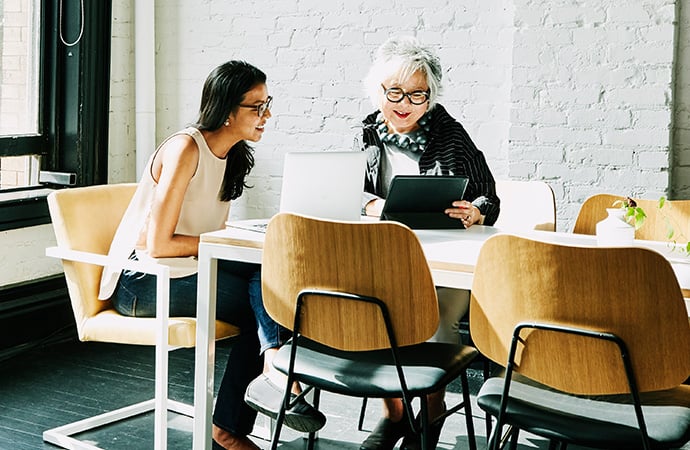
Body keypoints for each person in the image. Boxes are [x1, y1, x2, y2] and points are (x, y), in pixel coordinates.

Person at [97, 61, 324, 450]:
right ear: (226, 109)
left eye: (268, 104)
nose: (266, 115)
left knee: (274, 274)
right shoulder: (186, 148)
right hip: (144, 282)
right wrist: (229, 241)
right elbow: (159, 244)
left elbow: (203, 238)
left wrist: (241, 241)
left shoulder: (233, 155)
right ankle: (235, 422)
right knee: (268, 300)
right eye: (257, 107)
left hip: (185, 270)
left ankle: (269, 366)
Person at [357, 36, 500, 450]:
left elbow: (488, 194)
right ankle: (395, 414)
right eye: (395, 92)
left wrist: (476, 210)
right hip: (385, 254)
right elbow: (349, 192)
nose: (405, 104)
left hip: (445, 262)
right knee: (375, 310)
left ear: (430, 97)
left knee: (429, 318)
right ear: (378, 90)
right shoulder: (367, 132)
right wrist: (371, 205)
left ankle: (432, 407)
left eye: (417, 95)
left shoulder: (450, 134)